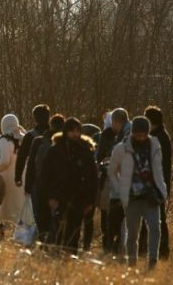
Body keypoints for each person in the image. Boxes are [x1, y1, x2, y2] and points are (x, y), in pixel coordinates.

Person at [109, 116, 167, 269]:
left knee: (155, 228)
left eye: (144, 135)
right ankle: (132, 262)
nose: (141, 137)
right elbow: (112, 171)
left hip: (151, 196)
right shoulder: (121, 149)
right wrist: (119, 189)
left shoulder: (154, 146)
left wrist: (162, 191)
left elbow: (158, 171)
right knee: (132, 233)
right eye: (138, 134)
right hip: (131, 198)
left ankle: (152, 261)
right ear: (132, 132)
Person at [41, 117, 98, 254]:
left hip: (79, 199)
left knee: (74, 234)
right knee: (59, 232)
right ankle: (58, 259)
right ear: (65, 131)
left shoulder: (85, 151)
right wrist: (50, 198)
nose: (75, 134)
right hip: (59, 197)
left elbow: (93, 178)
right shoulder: (55, 151)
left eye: (77, 130)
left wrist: (91, 201)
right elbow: (45, 176)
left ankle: (70, 259)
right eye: (71, 131)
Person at [25, 114, 65, 244]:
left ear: (50, 125)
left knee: (41, 216)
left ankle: (43, 241)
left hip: (39, 184)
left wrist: (27, 185)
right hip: (60, 186)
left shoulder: (39, 141)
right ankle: (56, 241)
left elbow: (31, 164)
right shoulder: (66, 143)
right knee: (58, 216)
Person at [143, 106, 172, 259]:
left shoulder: (158, 138)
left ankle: (162, 250)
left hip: (157, 185)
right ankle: (151, 250)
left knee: (158, 219)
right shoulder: (159, 135)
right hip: (157, 184)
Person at [102, 108, 131, 255]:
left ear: (115, 122)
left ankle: (115, 250)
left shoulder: (126, 135)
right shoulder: (128, 132)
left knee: (116, 219)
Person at [0, 114, 25, 224]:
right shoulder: (23, 138)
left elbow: (5, 161)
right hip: (22, 176)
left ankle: (4, 228)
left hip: (7, 177)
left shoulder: (4, 139)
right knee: (20, 206)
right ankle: (22, 230)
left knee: (6, 207)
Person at [15, 104, 50, 188]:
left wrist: (18, 176)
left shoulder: (29, 136)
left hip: (35, 177)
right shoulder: (57, 134)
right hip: (54, 177)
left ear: (35, 118)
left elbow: (21, 157)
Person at [80, 123, 102, 252]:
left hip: (81, 192)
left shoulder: (75, 152)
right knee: (88, 220)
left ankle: (81, 244)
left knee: (79, 220)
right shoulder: (93, 155)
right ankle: (86, 245)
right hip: (89, 193)